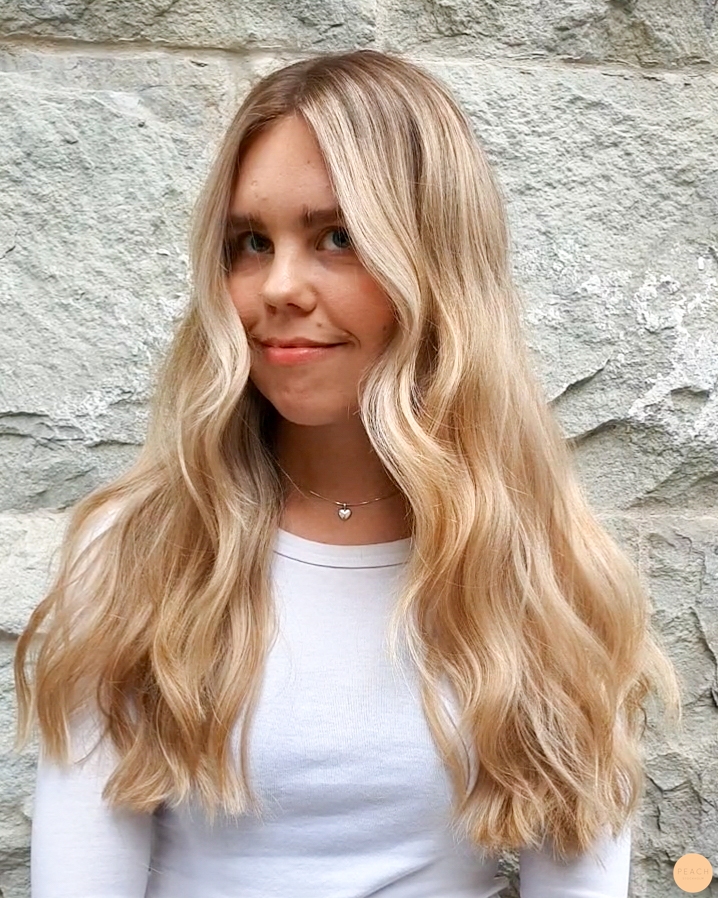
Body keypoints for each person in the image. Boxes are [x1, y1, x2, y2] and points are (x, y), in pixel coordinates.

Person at [14, 49, 681, 898]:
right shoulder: (140, 551)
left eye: (337, 238)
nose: (278, 287)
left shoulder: (544, 569)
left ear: (436, 263)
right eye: (250, 243)